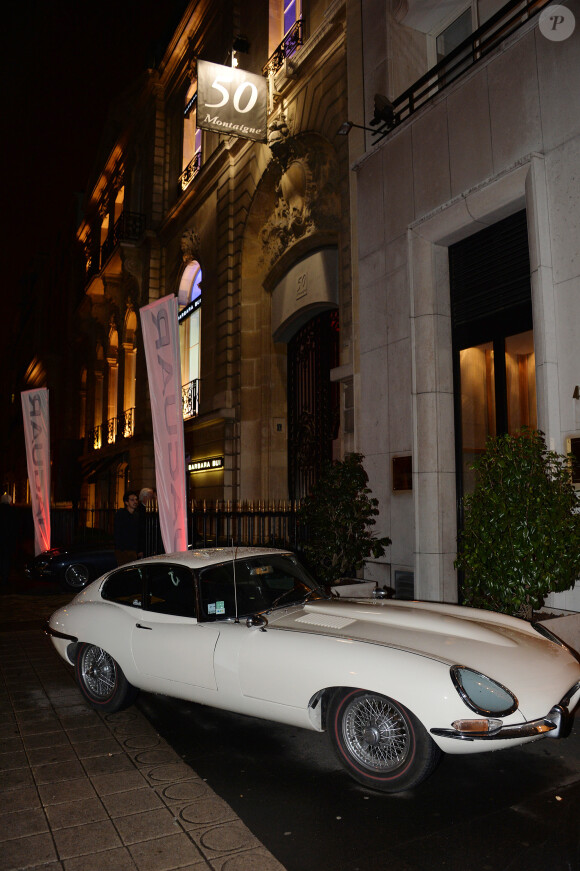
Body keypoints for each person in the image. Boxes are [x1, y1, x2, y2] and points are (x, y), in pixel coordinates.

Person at [114, 490, 142, 566]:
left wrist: (139, 550)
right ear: (126, 502)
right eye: (132, 500)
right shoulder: (121, 514)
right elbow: (118, 532)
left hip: (133, 550)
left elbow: (138, 533)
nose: (135, 502)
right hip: (123, 550)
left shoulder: (136, 515)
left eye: (136, 499)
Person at [0, 494, 15, 589]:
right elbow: (14, 528)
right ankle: (5, 579)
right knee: (6, 559)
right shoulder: (12, 511)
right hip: (8, 540)